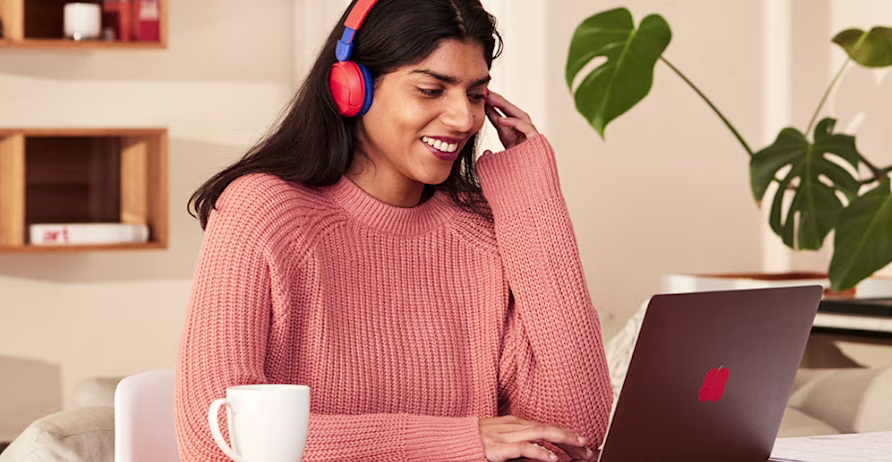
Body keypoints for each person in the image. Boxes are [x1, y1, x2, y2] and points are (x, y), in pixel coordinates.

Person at [175, 0, 611, 460]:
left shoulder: (484, 231)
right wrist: (461, 442)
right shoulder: (264, 211)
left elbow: (573, 431)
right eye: (430, 90)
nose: (464, 119)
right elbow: (214, 436)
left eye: (475, 95)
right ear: (352, 88)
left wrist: (533, 198)